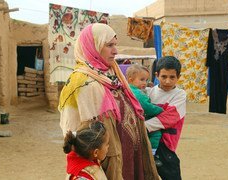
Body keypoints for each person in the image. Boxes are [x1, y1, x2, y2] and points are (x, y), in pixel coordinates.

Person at [58, 23, 159, 180]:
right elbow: (75, 130)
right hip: (107, 163)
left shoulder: (113, 73)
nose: (115, 51)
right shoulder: (82, 82)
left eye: (115, 45)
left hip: (129, 156)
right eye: (109, 45)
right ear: (93, 47)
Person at [145, 56, 186, 180]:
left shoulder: (179, 95)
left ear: (178, 77)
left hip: (165, 146)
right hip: (146, 142)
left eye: (172, 77)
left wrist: (143, 126)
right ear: (157, 75)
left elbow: (169, 118)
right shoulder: (149, 92)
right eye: (164, 77)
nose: (167, 81)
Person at [126, 64, 163, 154]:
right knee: (156, 133)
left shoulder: (128, 89)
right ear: (131, 80)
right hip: (140, 119)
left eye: (146, 80)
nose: (144, 83)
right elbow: (146, 107)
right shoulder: (138, 93)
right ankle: (153, 153)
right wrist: (160, 110)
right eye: (142, 80)